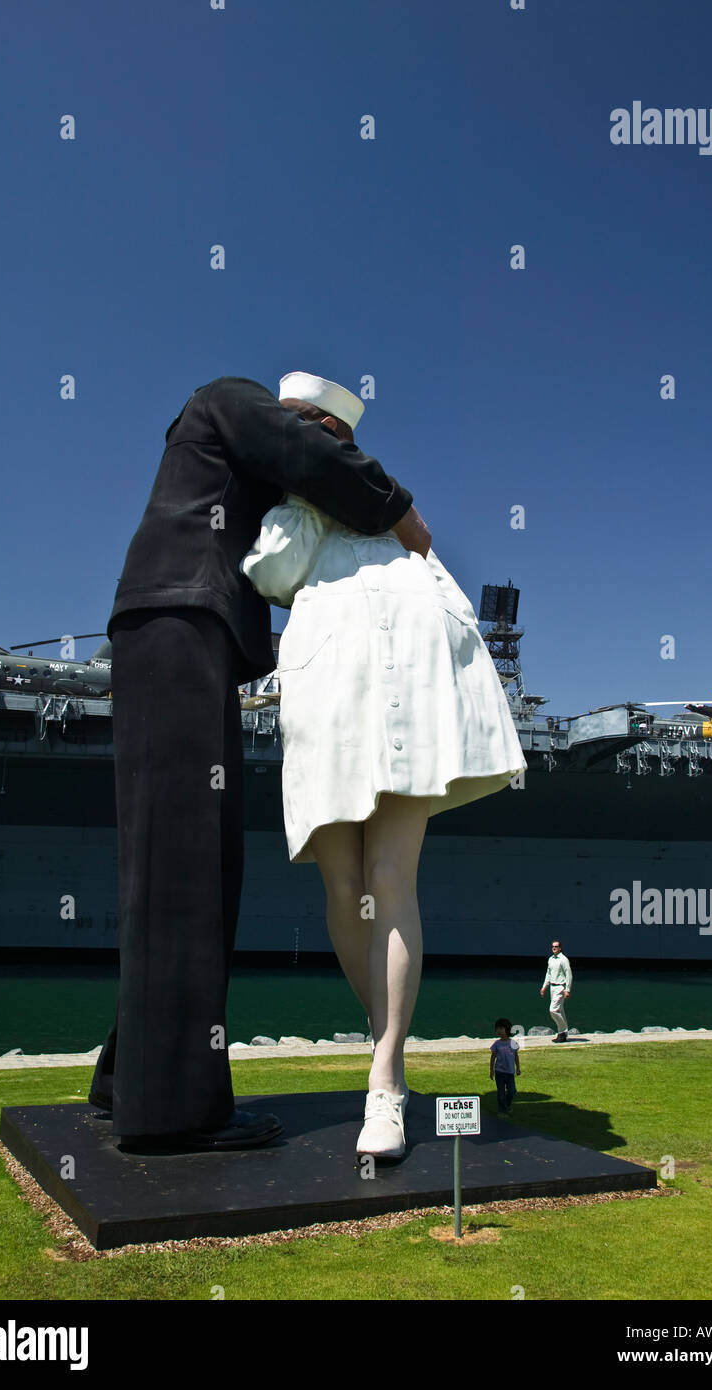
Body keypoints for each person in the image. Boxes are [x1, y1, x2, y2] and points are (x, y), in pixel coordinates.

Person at [88, 374, 426, 1153]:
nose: (328, 455)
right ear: (308, 420)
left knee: (169, 865)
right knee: (190, 871)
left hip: (172, 628)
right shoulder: (234, 399)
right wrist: (399, 510)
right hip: (184, 623)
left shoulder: (214, 443)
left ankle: (126, 1081)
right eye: (333, 440)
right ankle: (175, 1112)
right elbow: (309, 460)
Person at [241, 372, 528, 1160]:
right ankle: (386, 1049)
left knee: (389, 880)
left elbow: (430, 563)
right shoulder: (299, 512)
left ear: (329, 431)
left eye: (302, 425)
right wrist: (301, 501)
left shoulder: (385, 504)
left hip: (408, 681)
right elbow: (269, 575)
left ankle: (385, 1078)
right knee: (343, 886)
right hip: (332, 689)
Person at [540, 940, 573, 1042]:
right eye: (553, 946)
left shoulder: (563, 959)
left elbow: (569, 974)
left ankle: (563, 1031)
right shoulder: (551, 959)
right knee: (560, 1011)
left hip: (560, 987)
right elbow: (548, 974)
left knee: (553, 1010)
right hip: (552, 987)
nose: (554, 948)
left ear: (560, 948)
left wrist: (567, 989)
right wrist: (544, 987)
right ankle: (561, 1034)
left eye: (556, 946)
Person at [489, 1017, 521, 1113]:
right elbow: (493, 1057)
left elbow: (516, 1056)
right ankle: (502, 1110)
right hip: (500, 1072)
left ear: (507, 1029)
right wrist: (491, 1070)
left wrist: (518, 1068)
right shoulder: (497, 1044)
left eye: (501, 1028)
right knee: (501, 1093)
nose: (498, 1031)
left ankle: (506, 1105)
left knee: (512, 1091)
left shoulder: (513, 1043)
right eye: (497, 1028)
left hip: (510, 1072)